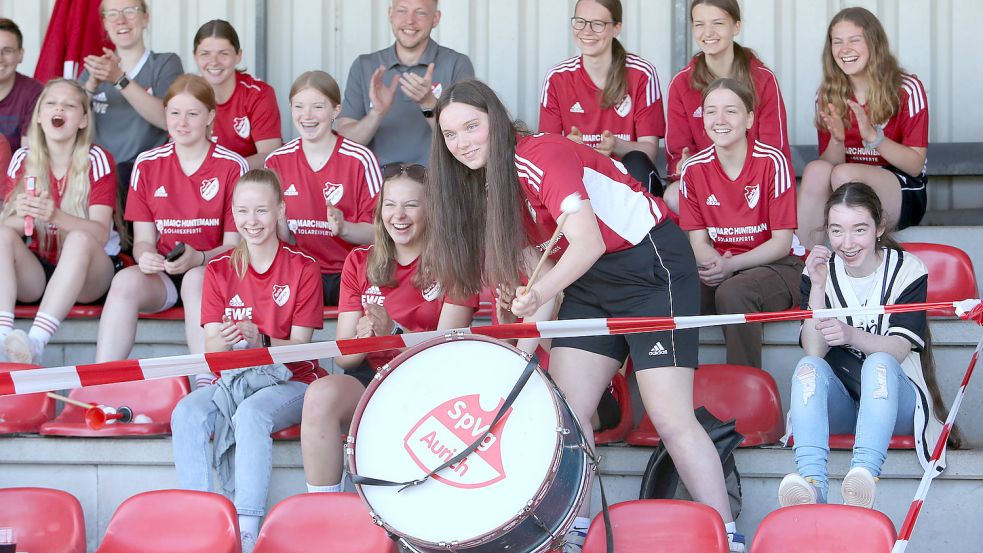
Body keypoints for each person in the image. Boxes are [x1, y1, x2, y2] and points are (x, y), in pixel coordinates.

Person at [428, 79, 744, 553]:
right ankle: (576, 531)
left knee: (669, 414)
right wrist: (525, 351)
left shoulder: (540, 155)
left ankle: (727, 536)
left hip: (649, 264)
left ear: (495, 118)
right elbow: (546, 269)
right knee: (570, 414)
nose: (463, 143)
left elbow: (587, 243)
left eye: (471, 126)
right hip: (586, 280)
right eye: (451, 136)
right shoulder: (485, 186)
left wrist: (536, 297)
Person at [300, 162, 482, 495]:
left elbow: (443, 357)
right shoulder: (359, 261)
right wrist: (363, 338)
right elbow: (345, 361)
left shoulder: (457, 265)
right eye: (390, 204)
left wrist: (393, 333)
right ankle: (320, 511)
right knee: (320, 395)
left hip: (429, 385)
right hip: (372, 379)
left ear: (433, 210)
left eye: (411, 205)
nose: (399, 215)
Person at [170, 168, 324, 553]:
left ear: (279, 211)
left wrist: (262, 339)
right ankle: (199, 520)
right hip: (236, 378)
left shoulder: (303, 267)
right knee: (186, 412)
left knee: (252, 413)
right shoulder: (219, 270)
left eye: (261, 211)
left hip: (294, 382)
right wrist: (222, 341)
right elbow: (212, 350)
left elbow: (301, 348)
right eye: (242, 211)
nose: (251, 222)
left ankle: (246, 528)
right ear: (232, 214)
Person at [779, 181, 952, 509]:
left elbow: (900, 348)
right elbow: (814, 351)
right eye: (837, 230)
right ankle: (813, 483)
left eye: (859, 229)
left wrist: (851, 335)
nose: (847, 243)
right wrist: (817, 288)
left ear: (879, 228)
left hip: (897, 401)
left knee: (880, 362)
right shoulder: (821, 271)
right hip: (844, 402)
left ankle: (863, 476)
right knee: (807, 368)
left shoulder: (907, 269)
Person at [94, 75, 244, 388]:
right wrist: (146, 255)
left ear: (210, 117)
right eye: (175, 113)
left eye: (193, 113)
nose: (183, 122)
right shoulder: (148, 164)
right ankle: (103, 385)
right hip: (165, 274)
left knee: (195, 278)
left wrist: (199, 257)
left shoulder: (232, 165)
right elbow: (144, 239)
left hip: (215, 272)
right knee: (124, 280)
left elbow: (235, 245)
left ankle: (207, 384)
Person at [679, 78, 801, 369]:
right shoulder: (693, 170)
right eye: (711, 111)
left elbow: (782, 242)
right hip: (724, 267)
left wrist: (731, 266)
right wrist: (717, 265)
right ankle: (680, 389)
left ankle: (745, 391)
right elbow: (698, 243)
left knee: (734, 292)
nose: (719, 120)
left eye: (730, 111)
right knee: (676, 291)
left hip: (781, 266)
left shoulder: (773, 162)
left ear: (749, 118)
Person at [0, 79, 118, 364]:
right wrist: (26, 214)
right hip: (38, 270)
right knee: (2, 235)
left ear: (83, 120)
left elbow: (100, 234)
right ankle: (3, 339)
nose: (59, 109)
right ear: (39, 116)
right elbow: (8, 228)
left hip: (90, 272)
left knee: (79, 238)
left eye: (69, 105)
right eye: (51, 104)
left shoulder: (97, 158)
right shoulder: (22, 159)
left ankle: (36, 342)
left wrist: (54, 215)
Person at [796, 7, 929, 250]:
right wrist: (838, 140)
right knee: (817, 170)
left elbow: (915, 165)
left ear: (873, 44)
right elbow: (829, 163)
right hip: (845, 188)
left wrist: (874, 137)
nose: (844, 49)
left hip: (901, 191)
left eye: (854, 40)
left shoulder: (907, 89)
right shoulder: (828, 94)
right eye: (837, 42)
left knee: (844, 175)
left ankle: (856, 258)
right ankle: (804, 262)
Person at [264, 71, 381, 305]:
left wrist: (344, 229)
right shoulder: (276, 161)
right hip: (301, 273)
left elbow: (381, 233)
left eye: (318, 106)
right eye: (299, 106)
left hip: (353, 272)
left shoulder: (360, 159)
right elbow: (278, 239)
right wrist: (279, 223)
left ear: (335, 111)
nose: (307, 116)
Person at [664, 0, 791, 214]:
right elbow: (678, 151)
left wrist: (741, 179)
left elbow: (774, 149)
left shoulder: (762, 78)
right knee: (673, 195)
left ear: (736, 27)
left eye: (718, 23)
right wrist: (682, 166)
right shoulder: (681, 83)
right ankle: (699, 248)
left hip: (755, 183)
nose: (708, 32)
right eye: (699, 24)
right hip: (706, 182)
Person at [539, 0, 665, 194]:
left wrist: (615, 144)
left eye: (597, 24)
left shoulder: (642, 74)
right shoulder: (557, 77)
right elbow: (546, 152)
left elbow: (649, 153)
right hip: (581, 181)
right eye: (580, 21)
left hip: (628, 184)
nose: (586, 31)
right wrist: (568, 146)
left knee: (637, 162)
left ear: (616, 28)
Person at [337, 0, 474, 166]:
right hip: (377, 185)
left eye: (420, 12)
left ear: (435, 18)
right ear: (390, 14)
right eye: (402, 10)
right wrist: (376, 114)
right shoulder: (365, 66)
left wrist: (429, 104)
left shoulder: (456, 64)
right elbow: (345, 145)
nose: (410, 20)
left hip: (436, 183)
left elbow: (467, 139)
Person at [81, 0, 183, 200]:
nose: (121, 20)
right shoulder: (94, 70)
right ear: (104, 23)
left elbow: (167, 119)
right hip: (99, 174)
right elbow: (70, 120)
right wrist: (91, 85)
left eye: (130, 11)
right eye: (112, 14)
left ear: (145, 18)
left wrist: (119, 79)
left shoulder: (165, 63)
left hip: (148, 176)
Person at [194, 19, 281, 169]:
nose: (214, 62)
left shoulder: (258, 94)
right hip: (199, 183)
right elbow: (177, 150)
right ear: (195, 56)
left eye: (223, 54)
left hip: (248, 183)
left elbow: (269, 155)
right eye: (205, 54)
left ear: (238, 55)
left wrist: (223, 172)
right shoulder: (189, 94)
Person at [0, 18, 43, 151]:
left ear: (20, 55)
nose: (0, 58)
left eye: (7, 51)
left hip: (14, 170)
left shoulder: (34, 92)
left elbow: (28, 153)